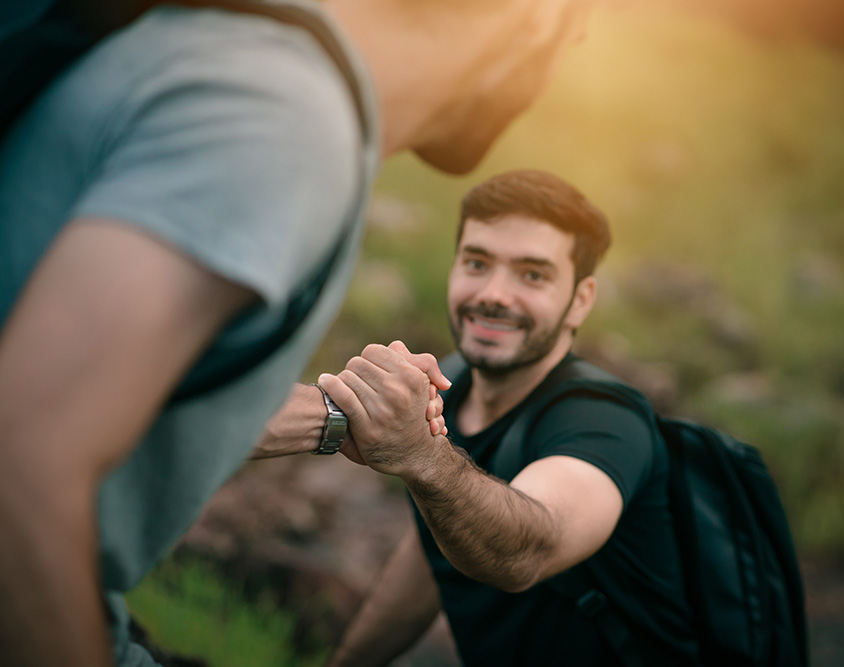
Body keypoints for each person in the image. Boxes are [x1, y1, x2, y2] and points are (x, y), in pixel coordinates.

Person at [0, 1, 596, 665]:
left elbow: (96, 388)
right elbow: (22, 459)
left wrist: (339, 415)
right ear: (538, 20)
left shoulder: (236, 56)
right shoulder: (286, 119)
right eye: (575, 39)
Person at [320, 170, 698, 667]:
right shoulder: (450, 383)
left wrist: (422, 457)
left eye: (532, 275)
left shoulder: (607, 420)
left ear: (580, 300)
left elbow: (527, 555)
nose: (494, 294)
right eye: (477, 263)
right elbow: (429, 554)